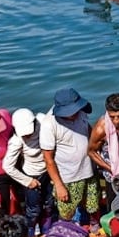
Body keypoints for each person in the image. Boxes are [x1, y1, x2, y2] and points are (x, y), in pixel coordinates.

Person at [40, 88, 99, 226]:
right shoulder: (49, 124)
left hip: (89, 170)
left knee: (93, 203)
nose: (74, 114)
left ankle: (94, 224)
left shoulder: (81, 112)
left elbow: (88, 130)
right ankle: (67, 228)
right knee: (67, 210)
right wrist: (59, 185)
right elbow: (48, 159)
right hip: (68, 177)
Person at [2, 108, 56, 237]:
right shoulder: (16, 141)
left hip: (48, 171)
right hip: (31, 174)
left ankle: (47, 229)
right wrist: (27, 181)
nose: (27, 136)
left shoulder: (43, 123)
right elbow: (7, 166)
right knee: (33, 209)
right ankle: (30, 233)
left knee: (49, 203)